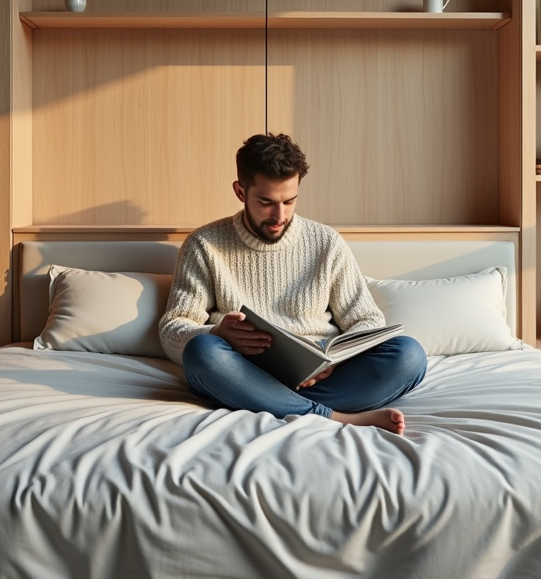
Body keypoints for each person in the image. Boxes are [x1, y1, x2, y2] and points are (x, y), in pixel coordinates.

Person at [159, 133, 427, 434]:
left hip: (322, 375)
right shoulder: (205, 244)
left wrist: (333, 362)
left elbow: (367, 322)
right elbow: (172, 330)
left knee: (409, 356)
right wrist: (217, 332)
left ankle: (278, 404)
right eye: (266, 202)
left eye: (289, 201)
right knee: (202, 353)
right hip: (244, 370)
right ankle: (334, 417)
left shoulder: (326, 243)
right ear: (239, 191)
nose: (279, 215)